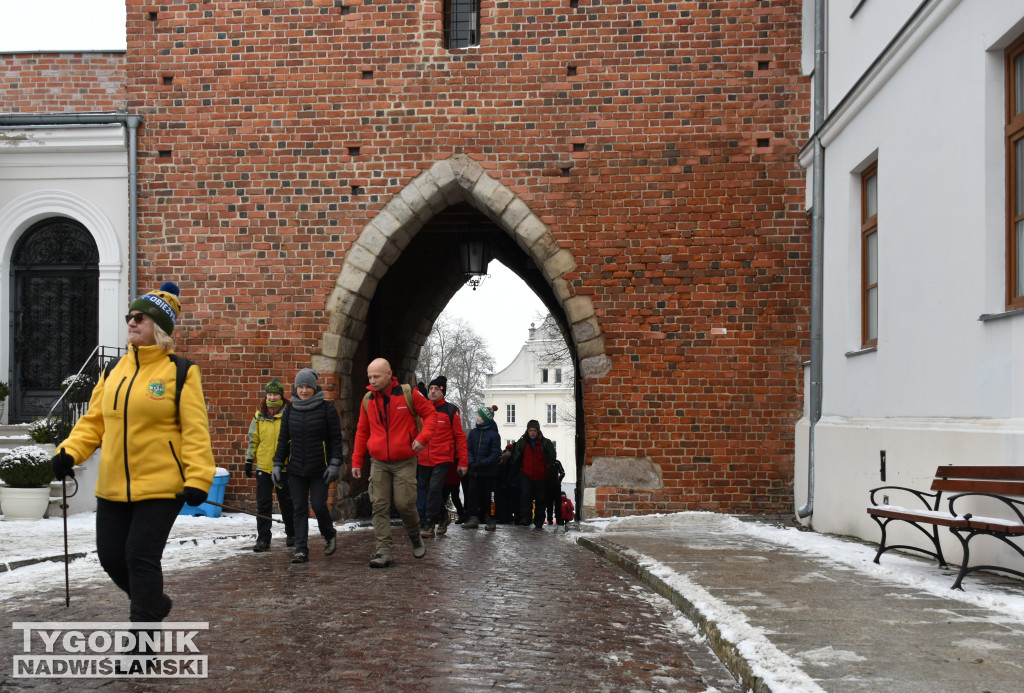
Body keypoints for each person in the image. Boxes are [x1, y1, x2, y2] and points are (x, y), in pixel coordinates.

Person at [50, 281, 215, 640]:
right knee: (111, 557)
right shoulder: (113, 371)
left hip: (161, 486)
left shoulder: (182, 372)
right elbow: (93, 422)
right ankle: (154, 604)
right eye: (130, 316)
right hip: (112, 487)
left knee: (140, 558)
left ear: (159, 327)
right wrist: (69, 451)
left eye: (140, 317)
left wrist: (199, 478)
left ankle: (142, 642)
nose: (131, 321)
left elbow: (195, 431)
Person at [351, 358, 437, 568]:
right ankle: (384, 551)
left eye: (376, 376)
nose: (372, 381)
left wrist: (422, 439)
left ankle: (414, 535)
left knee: (404, 504)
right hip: (378, 461)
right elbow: (362, 431)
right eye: (370, 377)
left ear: (389, 374)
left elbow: (431, 415)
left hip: (405, 460)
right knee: (379, 505)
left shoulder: (408, 394)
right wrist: (356, 460)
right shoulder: (368, 399)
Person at [272, 368, 342, 564]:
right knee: (299, 508)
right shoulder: (290, 410)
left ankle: (329, 534)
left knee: (319, 506)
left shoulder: (327, 409)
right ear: (296, 388)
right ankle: (301, 549)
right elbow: (283, 439)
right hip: (296, 469)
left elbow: (335, 440)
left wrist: (335, 463)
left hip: (320, 468)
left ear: (314, 387)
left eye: (308, 387)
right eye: (300, 387)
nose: (304, 391)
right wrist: (278, 464)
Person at [244, 377, 295, 552]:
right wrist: (249, 460)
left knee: (287, 503)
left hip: (284, 467)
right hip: (264, 467)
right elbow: (254, 439)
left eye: (275, 394)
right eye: (269, 394)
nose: (272, 397)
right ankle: (263, 538)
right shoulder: (259, 415)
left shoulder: (288, 413)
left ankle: (292, 534)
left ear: (281, 395)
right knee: (263, 504)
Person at [417, 376, 468, 537]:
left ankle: (429, 523)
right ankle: (444, 516)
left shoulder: (451, 411)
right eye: (431, 388)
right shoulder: (423, 409)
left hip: (443, 458)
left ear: (442, 391)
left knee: (434, 489)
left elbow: (460, 437)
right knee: (428, 489)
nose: (432, 391)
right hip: (423, 457)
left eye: (436, 389)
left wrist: (463, 462)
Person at [511, 419, 557, 529]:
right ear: (527, 431)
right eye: (530, 430)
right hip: (526, 474)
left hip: (541, 475)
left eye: (534, 430)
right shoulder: (522, 443)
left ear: (538, 431)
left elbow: (552, 458)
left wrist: (547, 469)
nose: (532, 433)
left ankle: (539, 521)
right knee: (525, 497)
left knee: (541, 499)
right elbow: (516, 456)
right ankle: (525, 519)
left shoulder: (545, 443)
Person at [462, 405, 502, 531]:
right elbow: (468, 449)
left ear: (485, 418)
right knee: (472, 496)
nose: (477, 418)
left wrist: (482, 463)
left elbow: (495, 454)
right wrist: (472, 462)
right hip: (474, 472)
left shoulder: (494, 435)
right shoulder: (473, 433)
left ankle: (491, 518)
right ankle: (473, 517)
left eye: (479, 416)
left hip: (489, 473)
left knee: (490, 498)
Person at [544, 458, 566, 525]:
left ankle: (558, 519)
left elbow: (562, 472)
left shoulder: (557, 462)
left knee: (557, 504)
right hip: (549, 486)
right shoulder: (546, 462)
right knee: (549, 504)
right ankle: (550, 519)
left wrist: (559, 481)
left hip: (555, 487)